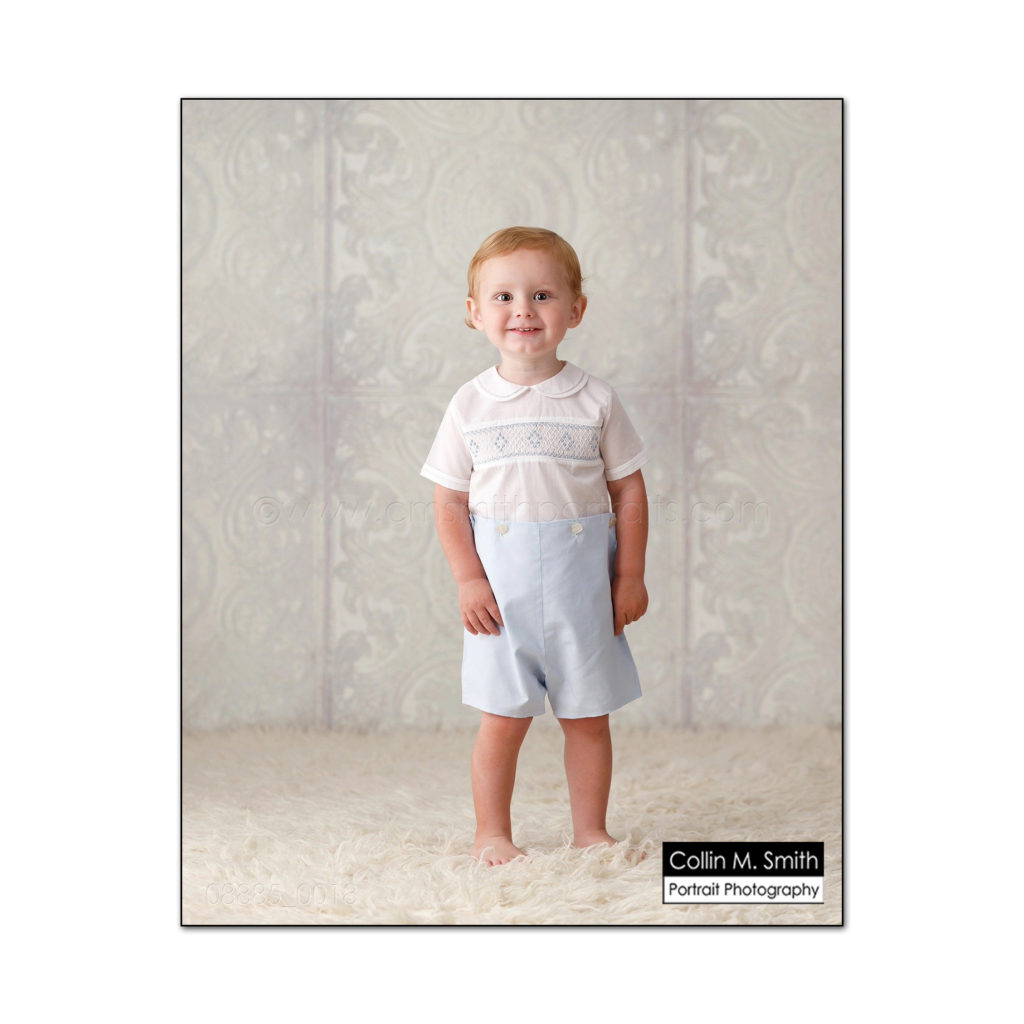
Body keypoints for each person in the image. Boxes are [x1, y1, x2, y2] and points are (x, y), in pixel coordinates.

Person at [421, 227, 649, 865]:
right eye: (504, 297)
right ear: (475, 313)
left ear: (575, 309)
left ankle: (591, 830)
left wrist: (630, 575)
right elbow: (448, 501)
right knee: (502, 720)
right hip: (502, 599)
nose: (523, 309)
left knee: (589, 718)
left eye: (542, 295)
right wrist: (468, 580)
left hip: (584, 593)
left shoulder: (595, 399)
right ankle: (491, 832)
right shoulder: (470, 405)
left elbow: (629, 490)